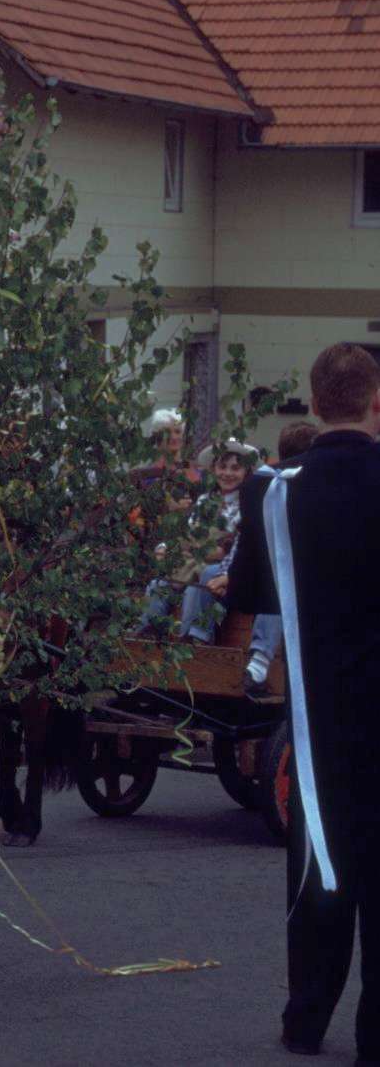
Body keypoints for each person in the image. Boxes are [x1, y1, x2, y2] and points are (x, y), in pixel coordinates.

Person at [226, 343, 380, 1060]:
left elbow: (250, 592)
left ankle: (307, 1017)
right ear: (376, 402)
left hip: (319, 711)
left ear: (315, 406)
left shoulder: (277, 491)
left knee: (320, 864)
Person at [227, 422, 319, 695]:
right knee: (280, 587)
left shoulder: (262, 485)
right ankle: (259, 659)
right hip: (276, 573)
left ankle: (260, 659)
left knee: (279, 585)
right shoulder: (282, 485)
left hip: (274, 571)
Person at [175, 438, 254, 642]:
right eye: (222, 467)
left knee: (197, 587)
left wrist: (203, 546)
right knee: (157, 585)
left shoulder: (247, 502)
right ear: (213, 469)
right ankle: (147, 633)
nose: (227, 473)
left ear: (246, 471)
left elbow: (229, 545)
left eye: (235, 468)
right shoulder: (205, 500)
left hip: (223, 569)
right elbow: (188, 533)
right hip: (195, 562)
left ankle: (194, 640)